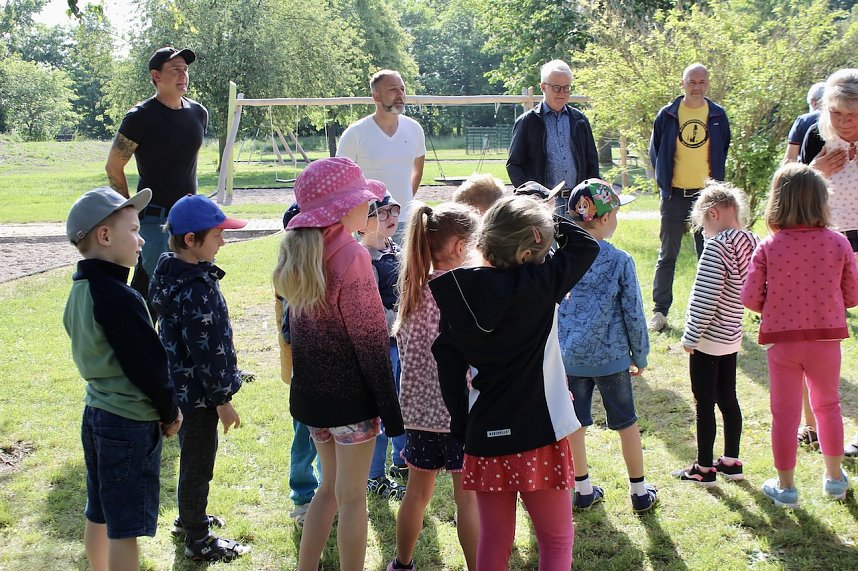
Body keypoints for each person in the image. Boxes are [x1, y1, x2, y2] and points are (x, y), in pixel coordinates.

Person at [430, 195, 600, 570]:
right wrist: (548, 212)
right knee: (556, 539)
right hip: (540, 433)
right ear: (532, 245)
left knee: (495, 539)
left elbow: (446, 363)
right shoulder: (542, 283)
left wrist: (461, 425)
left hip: (484, 434)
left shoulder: (459, 295)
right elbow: (585, 244)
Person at [272, 157, 405, 571]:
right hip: (351, 404)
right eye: (361, 201)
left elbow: (293, 333)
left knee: (326, 491)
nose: (368, 207)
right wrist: (391, 411)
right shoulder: (351, 254)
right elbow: (370, 341)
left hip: (313, 401)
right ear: (340, 208)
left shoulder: (301, 250)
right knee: (352, 499)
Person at [63, 186, 182, 571]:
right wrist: (169, 410)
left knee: (99, 510)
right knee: (124, 526)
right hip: (128, 422)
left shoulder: (79, 291)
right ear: (104, 236)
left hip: (95, 413)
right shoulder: (119, 296)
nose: (142, 238)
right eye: (133, 230)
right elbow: (148, 364)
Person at [741, 163, 858, 508]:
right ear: (822, 201)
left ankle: (786, 487)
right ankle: (835, 479)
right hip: (825, 340)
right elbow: (852, 295)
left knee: (785, 414)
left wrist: (772, 303)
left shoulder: (768, 246)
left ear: (777, 201)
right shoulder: (839, 243)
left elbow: (750, 298)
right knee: (829, 406)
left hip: (783, 342)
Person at [148, 194, 250, 561]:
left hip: (183, 388)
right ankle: (197, 538)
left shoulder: (172, 272)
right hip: (200, 396)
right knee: (197, 463)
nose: (223, 241)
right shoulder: (194, 288)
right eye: (218, 235)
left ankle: (190, 517)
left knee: (193, 459)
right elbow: (205, 352)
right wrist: (223, 401)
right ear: (191, 240)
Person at [388, 202, 481, 571]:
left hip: (418, 415)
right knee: (468, 502)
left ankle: (402, 564)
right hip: (461, 415)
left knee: (416, 495)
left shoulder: (413, 289)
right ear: (460, 246)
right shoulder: (466, 293)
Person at [556, 179, 657, 514]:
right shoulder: (619, 260)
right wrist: (639, 355)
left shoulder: (561, 259)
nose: (616, 219)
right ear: (601, 219)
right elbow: (633, 312)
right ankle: (639, 492)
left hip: (570, 358)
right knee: (626, 422)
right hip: (612, 360)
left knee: (576, 424)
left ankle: (582, 488)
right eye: (614, 212)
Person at [671, 182, 758, 486]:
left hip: (708, 340)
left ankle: (704, 468)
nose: (704, 233)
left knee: (704, 403)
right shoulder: (754, 242)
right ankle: (732, 462)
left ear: (714, 213)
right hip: (732, 335)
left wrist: (690, 336)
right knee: (729, 398)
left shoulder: (717, 247)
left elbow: (705, 298)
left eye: (703, 226)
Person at [105, 46, 208, 299]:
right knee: (154, 291)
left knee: (187, 291)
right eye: (175, 69)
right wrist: (128, 213)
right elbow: (113, 166)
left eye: (185, 69)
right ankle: (136, 336)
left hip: (189, 218)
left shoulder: (198, 113)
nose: (183, 75)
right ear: (156, 76)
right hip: (154, 220)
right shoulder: (140, 117)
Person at [800, 69, 858, 458]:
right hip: (820, 246)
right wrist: (814, 173)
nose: (845, 122)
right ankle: (813, 425)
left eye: (853, 116)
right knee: (814, 335)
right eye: (838, 114)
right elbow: (789, 191)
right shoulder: (816, 135)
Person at [648, 63, 731, 332]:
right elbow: (656, 152)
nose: (697, 87)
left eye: (702, 82)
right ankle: (660, 312)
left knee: (708, 255)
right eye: (692, 82)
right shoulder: (668, 115)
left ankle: (709, 312)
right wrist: (664, 184)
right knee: (667, 254)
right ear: (682, 84)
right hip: (675, 196)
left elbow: (723, 149)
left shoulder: (718, 115)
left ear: (708, 84)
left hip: (706, 198)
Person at [358, 193, 408, 500]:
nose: (390, 217)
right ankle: (374, 475)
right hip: (381, 345)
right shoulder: (364, 259)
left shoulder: (396, 249)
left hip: (401, 339)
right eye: (381, 212)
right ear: (361, 224)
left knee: (402, 401)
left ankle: (402, 460)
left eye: (394, 210)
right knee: (381, 408)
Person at [337, 69, 426, 244]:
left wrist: (401, 204)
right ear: (376, 97)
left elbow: (417, 172)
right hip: (368, 223)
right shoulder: (355, 133)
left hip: (405, 222)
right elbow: (341, 182)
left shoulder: (415, 129)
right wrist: (359, 216)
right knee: (368, 271)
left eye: (402, 89)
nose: (400, 94)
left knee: (407, 272)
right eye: (393, 89)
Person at [506, 59, 599, 216]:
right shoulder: (527, 122)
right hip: (543, 206)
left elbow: (592, 163)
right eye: (557, 88)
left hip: (577, 204)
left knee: (578, 242)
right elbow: (514, 164)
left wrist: (591, 196)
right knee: (547, 242)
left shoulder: (579, 120)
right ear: (543, 87)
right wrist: (532, 197)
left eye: (566, 88)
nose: (562, 93)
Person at [277, 203, 320, 527]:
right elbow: (289, 332)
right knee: (304, 437)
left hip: (323, 375)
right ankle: (304, 497)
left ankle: (324, 494)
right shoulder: (289, 278)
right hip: (303, 373)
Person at [783, 82, 825, 163]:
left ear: (813, 102)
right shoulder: (842, 119)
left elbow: (790, 159)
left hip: (807, 173)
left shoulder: (802, 121)